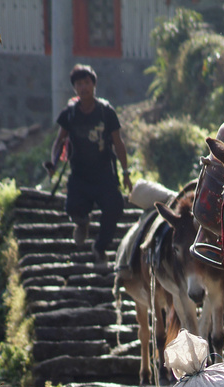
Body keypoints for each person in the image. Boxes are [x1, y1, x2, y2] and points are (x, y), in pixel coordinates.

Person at [45, 64, 132, 269]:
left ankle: (100, 248)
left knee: (115, 207)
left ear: (93, 84)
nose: (83, 87)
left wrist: (126, 173)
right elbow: (59, 142)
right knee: (73, 209)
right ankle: (82, 223)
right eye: (78, 84)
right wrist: (54, 163)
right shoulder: (70, 114)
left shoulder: (106, 112)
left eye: (86, 82)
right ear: (74, 88)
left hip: (104, 174)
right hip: (80, 174)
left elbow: (118, 143)